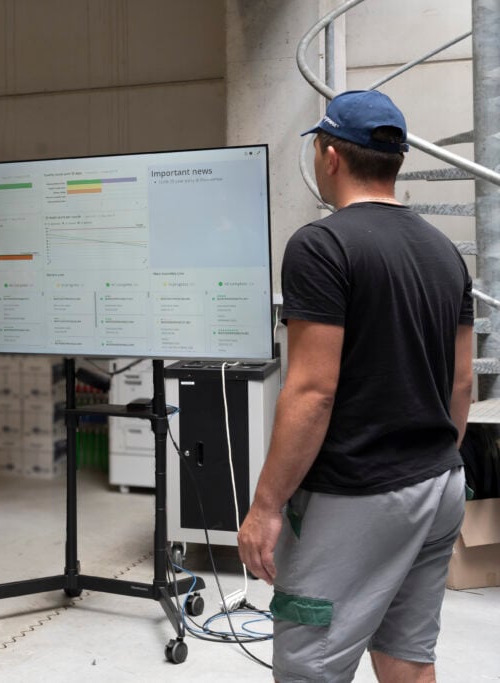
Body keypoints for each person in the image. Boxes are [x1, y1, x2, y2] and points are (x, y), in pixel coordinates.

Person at [237, 89, 474, 682]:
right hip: (439, 484)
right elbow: (462, 380)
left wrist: (265, 507)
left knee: (310, 665)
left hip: (357, 497)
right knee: (407, 656)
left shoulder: (321, 246)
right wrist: (432, 458)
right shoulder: (445, 253)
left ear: (330, 156)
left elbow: (313, 391)